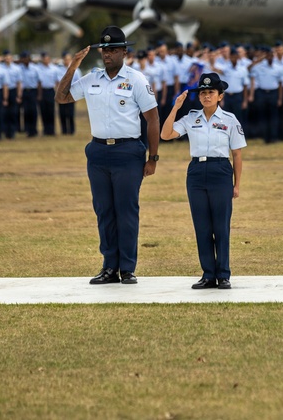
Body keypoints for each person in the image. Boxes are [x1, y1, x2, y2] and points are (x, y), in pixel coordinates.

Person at [56, 26, 160, 286]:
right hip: (99, 151)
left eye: (113, 49)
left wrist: (153, 157)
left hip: (128, 152)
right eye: (104, 50)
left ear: (124, 51)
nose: (107, 54)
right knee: (104, 211)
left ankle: (127, 268)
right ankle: (109, 267)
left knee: (126, 211)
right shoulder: (92, 78)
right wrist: (73, 65)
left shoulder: (136, 80)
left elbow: (152, 118)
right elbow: (62, 97)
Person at [161, 72, 246, 289]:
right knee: (202, 226)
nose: (206, 96)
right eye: (203, 93)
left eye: (211, 92)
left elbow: (236, 153)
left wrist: (236, 184)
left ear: (220, 96)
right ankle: (208, 274)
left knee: (221, 226)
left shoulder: (229, 120)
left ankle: (223, 274)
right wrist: (175, 108)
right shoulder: (191, 118)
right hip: (197, 171)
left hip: (220, 170)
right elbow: (166, 134)